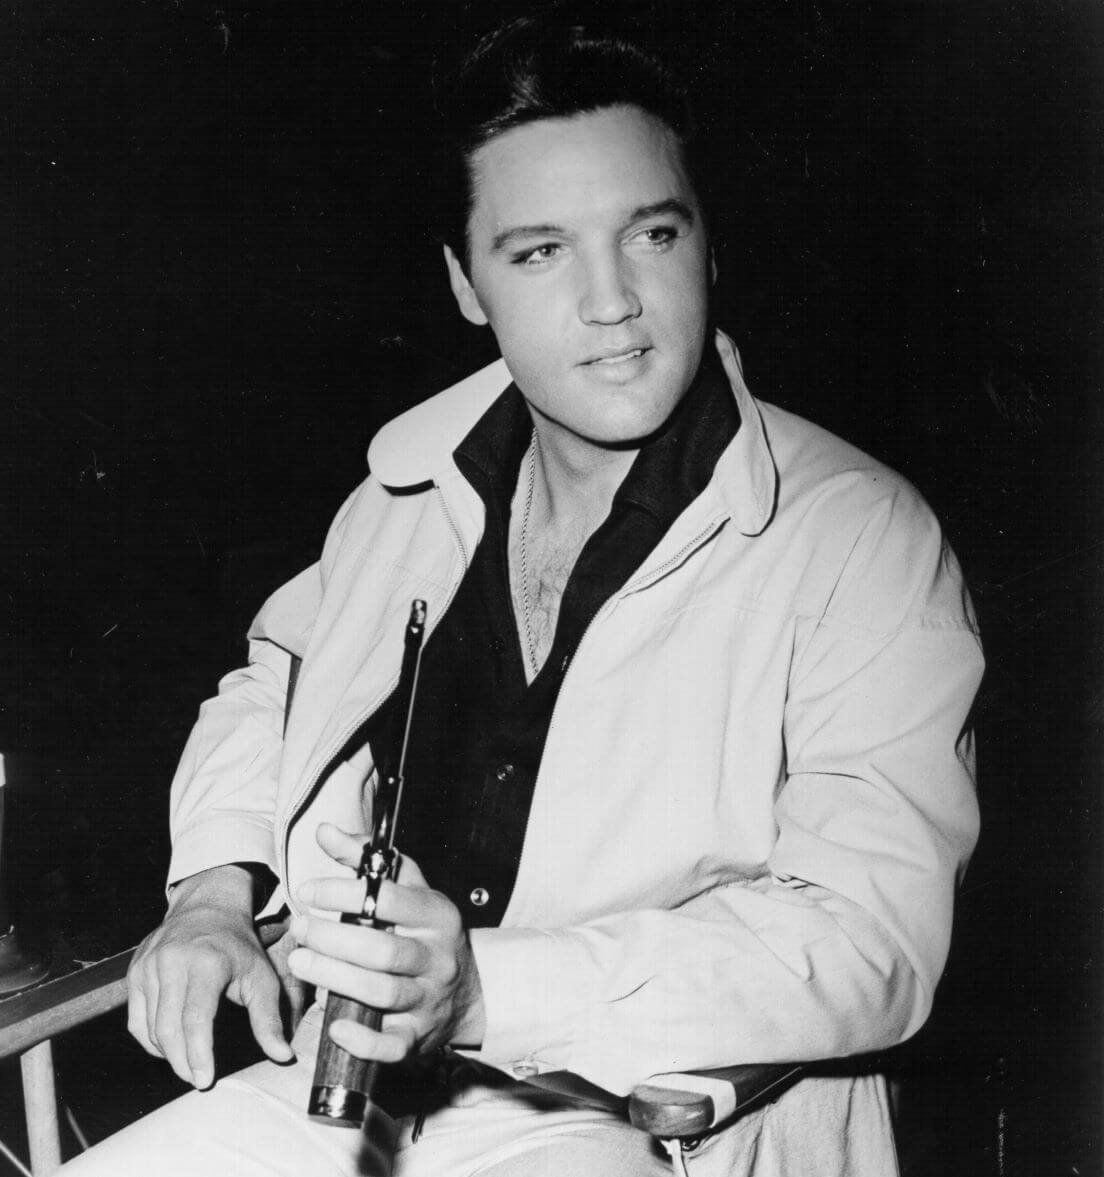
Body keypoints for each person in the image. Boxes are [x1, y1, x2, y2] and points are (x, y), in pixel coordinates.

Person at [62, 10, 982, 1176]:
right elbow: (276, 686)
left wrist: (487, 988)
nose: (613, 303)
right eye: (540, 251)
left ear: (708, 246)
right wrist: (211, 892)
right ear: (465, 284)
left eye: (649, 234)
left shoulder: (861, 536)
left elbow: (874, 945)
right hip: (352, 1094)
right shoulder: (408, 487)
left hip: (639, 1119)